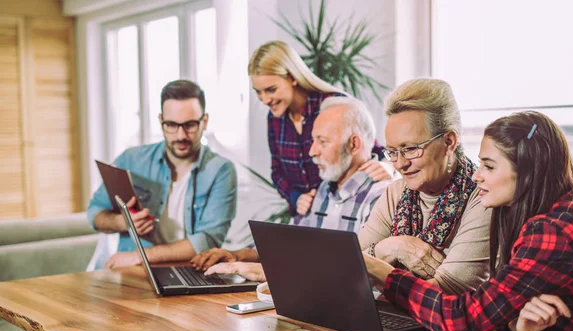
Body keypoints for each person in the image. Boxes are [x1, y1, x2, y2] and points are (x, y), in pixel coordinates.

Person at [365, 110, 573, 331]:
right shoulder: (563, 208)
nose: (476, 176)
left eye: (489, 166)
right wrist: (514, 324)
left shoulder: (553, 231)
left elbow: (461, 319)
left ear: (529, 172)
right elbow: (500, 303)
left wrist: (382, 273)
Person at [191, 97, 392, 280]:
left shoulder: (380, 196)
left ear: (354, 144)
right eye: (313, 141)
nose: (312, 152)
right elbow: (295, 242)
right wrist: (238, 255)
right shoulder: (325, 189)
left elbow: (355, 272)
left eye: (322, 142)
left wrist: (260, 272)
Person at [358, 78, 492, 295]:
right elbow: (348, 270)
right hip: (395, 317)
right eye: (392, 152)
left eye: (411, 149)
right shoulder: (396, 192)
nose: (400, 164)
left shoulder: (483, 197)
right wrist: (393, 247)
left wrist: (372, 265)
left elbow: (447, 293)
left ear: (449, 142)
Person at [87, 79, 237, 270]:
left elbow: (207, 239)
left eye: (190, 125)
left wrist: (139, 256)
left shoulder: (221, 170)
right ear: (160, 121)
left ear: (204, 121)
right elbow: (95, 213)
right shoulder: (132, 160)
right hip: (132, 272)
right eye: (171, 125)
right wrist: (123, 222)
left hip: (189, 272)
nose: (181, 135)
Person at [248, 40, 392, 218]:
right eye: (258, 92)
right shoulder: (274, 118)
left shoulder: (333, 107)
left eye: (271, 89)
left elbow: (372, 147)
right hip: (305, 217)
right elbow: (277, 171)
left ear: (292, 77)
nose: (264, 99)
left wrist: (388, 165)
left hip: (341, 213)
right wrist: (296, 198)